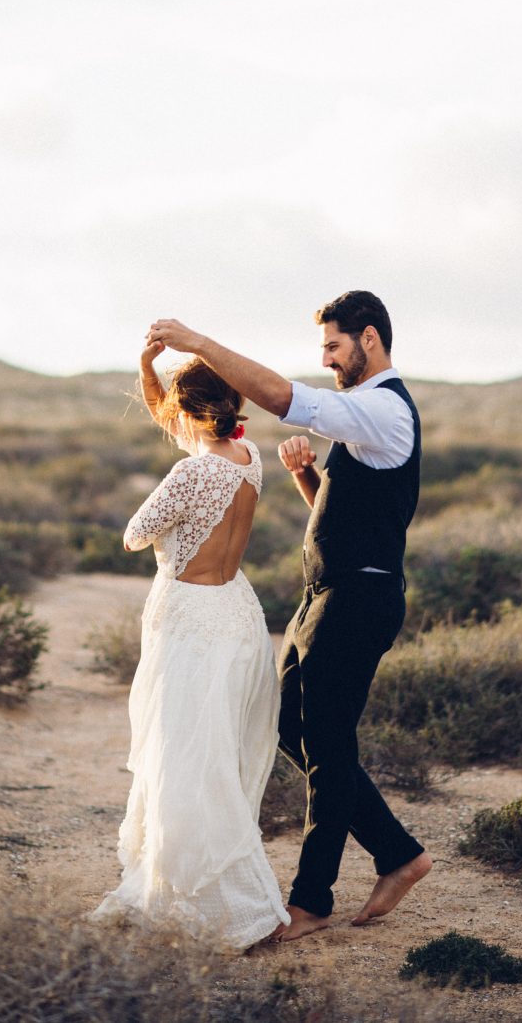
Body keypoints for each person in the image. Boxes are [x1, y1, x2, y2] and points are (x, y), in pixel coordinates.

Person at [149, 291, 432, 943]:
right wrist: (310, 482)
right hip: (326, 596)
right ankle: (398, 854)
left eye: (334, 346)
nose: (328, 359)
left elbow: (281, 397)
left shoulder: (383, 408)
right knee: (292, 729)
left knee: (330, 748)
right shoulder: (367, 418)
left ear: (369, 337)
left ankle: (311, 901)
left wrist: (197, 342)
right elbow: (356, 515)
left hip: (357, 601)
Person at [89, 340, 289, 950]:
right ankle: (204, 889)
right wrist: (148, 372)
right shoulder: (249, 455)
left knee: (182, 760)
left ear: (188, 411)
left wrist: (162, 513)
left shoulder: (190, 471)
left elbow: (132, 536)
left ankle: (223, 906)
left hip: (191, 624)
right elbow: (176, 421)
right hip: (236, 614)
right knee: (211, 757)